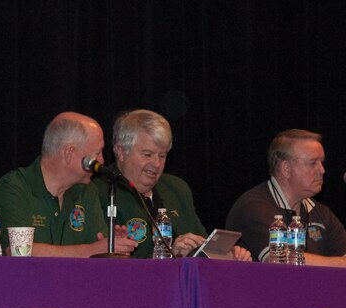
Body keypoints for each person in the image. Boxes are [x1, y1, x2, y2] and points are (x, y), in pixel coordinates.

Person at [92, 109, 251, 260]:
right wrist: (170, 255)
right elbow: (106, 262)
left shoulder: (176, 188)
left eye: (162, 155)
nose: (156, 164)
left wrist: (226, 254)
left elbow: (201, 247)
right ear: (120, 152)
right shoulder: (98, 191)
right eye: (148, 154)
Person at [225, 129, 346, 268]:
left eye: (322, 162)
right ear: (286, 168)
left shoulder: (320, 211)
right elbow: (282, 260)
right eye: (312, 163)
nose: (322, 170)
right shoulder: (253, 206)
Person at [0, 112, 137, 257]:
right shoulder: (14, 188)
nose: (102, 161)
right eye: (97, 153)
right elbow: (18, 251)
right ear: (69, 153)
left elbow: (98, 249)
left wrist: (112, 245)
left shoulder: (87, 191)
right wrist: (93, 250)